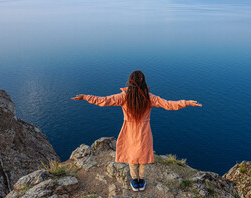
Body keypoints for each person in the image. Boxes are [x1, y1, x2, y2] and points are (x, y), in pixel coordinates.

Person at [71, 70, 202, 191]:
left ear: (130, 82)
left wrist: (85, 97)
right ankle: (141, 181)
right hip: (144, 132)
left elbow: (103, 101)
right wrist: (187, 102)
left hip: (129, 131)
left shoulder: (123, 97)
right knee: (143, 157)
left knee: (132, 158)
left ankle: (135, 182)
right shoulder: (149, 97)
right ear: (143, 82)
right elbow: (168, 104)